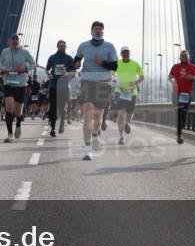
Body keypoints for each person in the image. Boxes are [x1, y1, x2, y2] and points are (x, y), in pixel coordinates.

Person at [73, 21, 118, 160]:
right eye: (95, 28)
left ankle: (96, 133)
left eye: (100, 29)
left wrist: (102, 63)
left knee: (98, 117)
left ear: (103, 31)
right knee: (88, 114)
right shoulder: (83, 45)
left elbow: (115, 66)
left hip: (103, 84)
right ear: (91, 31)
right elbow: (76, 59)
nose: (98, 31)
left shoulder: (109, 46)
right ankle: (88, 149)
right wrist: (77, 63)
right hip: (87, 82)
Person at [0, 34, 35, 143]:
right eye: (12, 39)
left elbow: (33, 64)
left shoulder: (25, 52)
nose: (14, 41)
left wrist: (25, 68)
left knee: (18, 112)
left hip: (21, 84)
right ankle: (10, 134)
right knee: (8, 107)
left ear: (19, 41)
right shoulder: (5, 51)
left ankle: (18, 125)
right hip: (8, 82)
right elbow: (1, 63)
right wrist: (4, 69)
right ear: (10, 41)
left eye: (16, 39)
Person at [113, 46, 144, 145]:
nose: (126, 53)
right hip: (120, 91)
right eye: (124, 52)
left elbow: (142, 76)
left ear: (129, 53)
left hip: (132, 92)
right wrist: (114, 81)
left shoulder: (135, 64)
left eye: (127, 52)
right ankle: (121, 137)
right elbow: (112, 75)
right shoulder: (117, 64)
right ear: (121, 54)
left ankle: (127, 123)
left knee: (130, 113)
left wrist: (136, 82)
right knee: (120, 114)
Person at [45, 40, 77, 137]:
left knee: (62, 107)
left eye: (64, 46)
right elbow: (47, 69)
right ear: (57, 46)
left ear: (66, 47)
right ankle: (53, 129)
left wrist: (68, 74)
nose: (62, 47)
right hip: (54, 86)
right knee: (53, 108)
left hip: (63, 87)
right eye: (61, 46)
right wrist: (49, 74)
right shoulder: (52, 57)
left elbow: (74, 71)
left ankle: (62, 122)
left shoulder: (69, 58)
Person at [168, 50, 195, 144]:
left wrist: (192, 77)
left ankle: (180, 131)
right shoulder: (175, 67)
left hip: (186, 95)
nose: (184, 57)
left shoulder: (193, 67)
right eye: (182, 55)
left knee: (183, 114)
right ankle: (179, 134)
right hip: (176, 94)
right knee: (178, 113)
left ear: (189, 57)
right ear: (180, 57)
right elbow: (170, 76)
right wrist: (173, 80)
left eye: (185, 55)